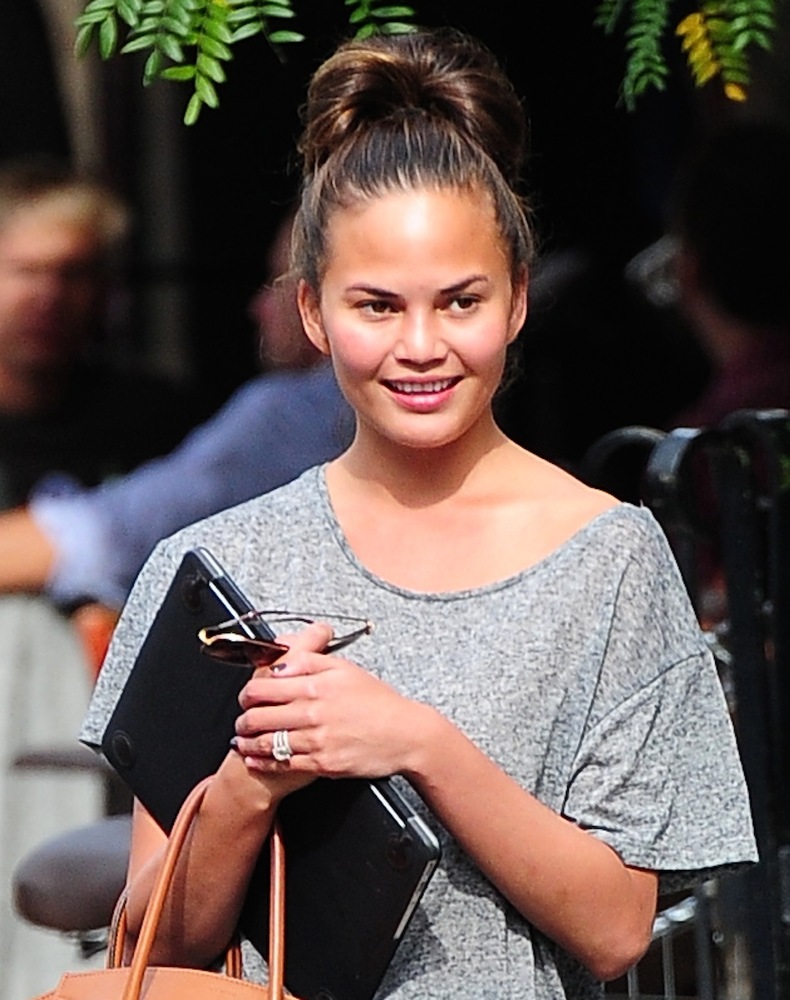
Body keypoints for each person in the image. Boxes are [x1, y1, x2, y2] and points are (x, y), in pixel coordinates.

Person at [81, 29, 757, 1000]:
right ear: (312, 314)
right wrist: (248, 783)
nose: (421, 346)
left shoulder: (607, 558)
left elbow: (614, 929)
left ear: (517, 301)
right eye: (376, 306)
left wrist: (416, 742)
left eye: (460, 302)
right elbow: (151, 947)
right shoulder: (218, 563)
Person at [0, 211, 352, 611]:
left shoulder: (293, 414)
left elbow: (117, 536)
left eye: (276, 282)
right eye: (25, 271)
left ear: (314, 304)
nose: (258, 308)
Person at [0, 157, 200, 511]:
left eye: (73, 273)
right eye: (26, 271)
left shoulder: (154, 420)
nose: (49, 296)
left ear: (105, 289)